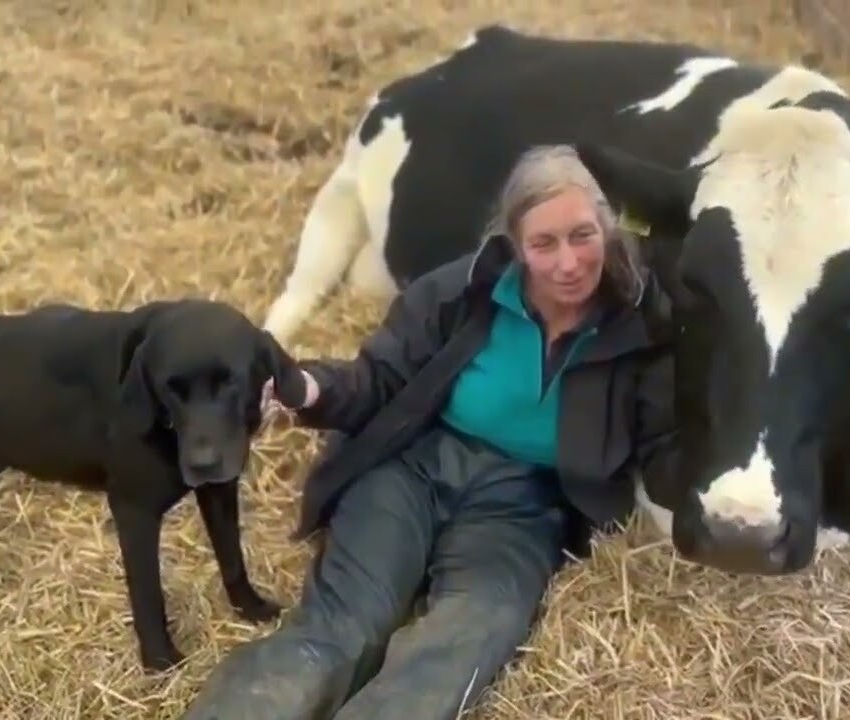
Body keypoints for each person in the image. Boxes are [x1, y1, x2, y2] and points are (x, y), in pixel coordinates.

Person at [180, 144, 679, 720]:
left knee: (466, 638)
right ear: (515, 246)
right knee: (345, 625)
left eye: (583, 235)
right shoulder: (458, 292)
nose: (568, 262)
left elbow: (664, 440)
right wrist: (306, 389)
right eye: (545, 243)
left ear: (609, 227)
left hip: (521, 506)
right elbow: (378, 378)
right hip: (411, 470)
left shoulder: (644, 324)